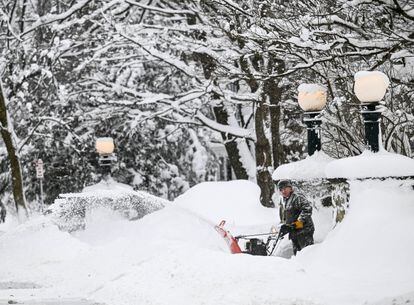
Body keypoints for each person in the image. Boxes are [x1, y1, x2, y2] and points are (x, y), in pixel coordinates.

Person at [277, 179, 314, 255]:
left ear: (290, 188)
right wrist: (286, 226)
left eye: (285, 188)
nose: (283, 191)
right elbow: (289, 215)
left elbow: (307, 209)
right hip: (295, 232)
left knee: (307, 254)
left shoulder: (297, 197)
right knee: (297, 255)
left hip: (304, 231)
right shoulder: (286, 200)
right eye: (281, 190)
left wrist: (296, 224)